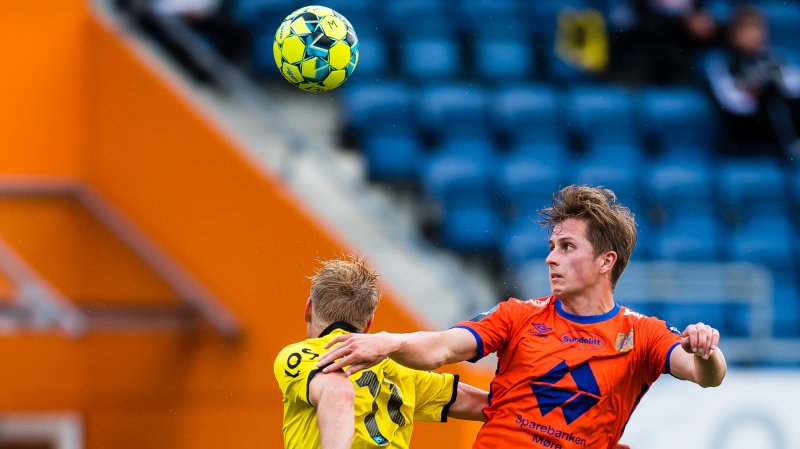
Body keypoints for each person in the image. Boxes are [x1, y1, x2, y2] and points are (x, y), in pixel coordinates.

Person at [318, 186, 727, 449]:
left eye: (567, 247)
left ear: (606, 261)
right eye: (551, 245)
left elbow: (706, 375)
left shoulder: (642, 334)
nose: (551, 257)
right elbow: (442, 348)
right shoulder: (518, 315)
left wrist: (706, 349)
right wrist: (389, 342)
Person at [273, 256, 489, 449]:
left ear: (308, 308)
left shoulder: (302, 356)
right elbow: (484, 404)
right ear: (369, 323)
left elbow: (339, 393)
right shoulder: (404, 371)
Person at [706, 5, 800, 161]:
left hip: (774, 137)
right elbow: (732, 102)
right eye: (747, 29)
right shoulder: (722, 63)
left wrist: (768, 83)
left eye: (759, 29)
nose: (755, 35)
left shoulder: (773, 58)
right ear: (733, 33)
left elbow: (795, 86)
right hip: (742, 137)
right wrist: (759, 88)